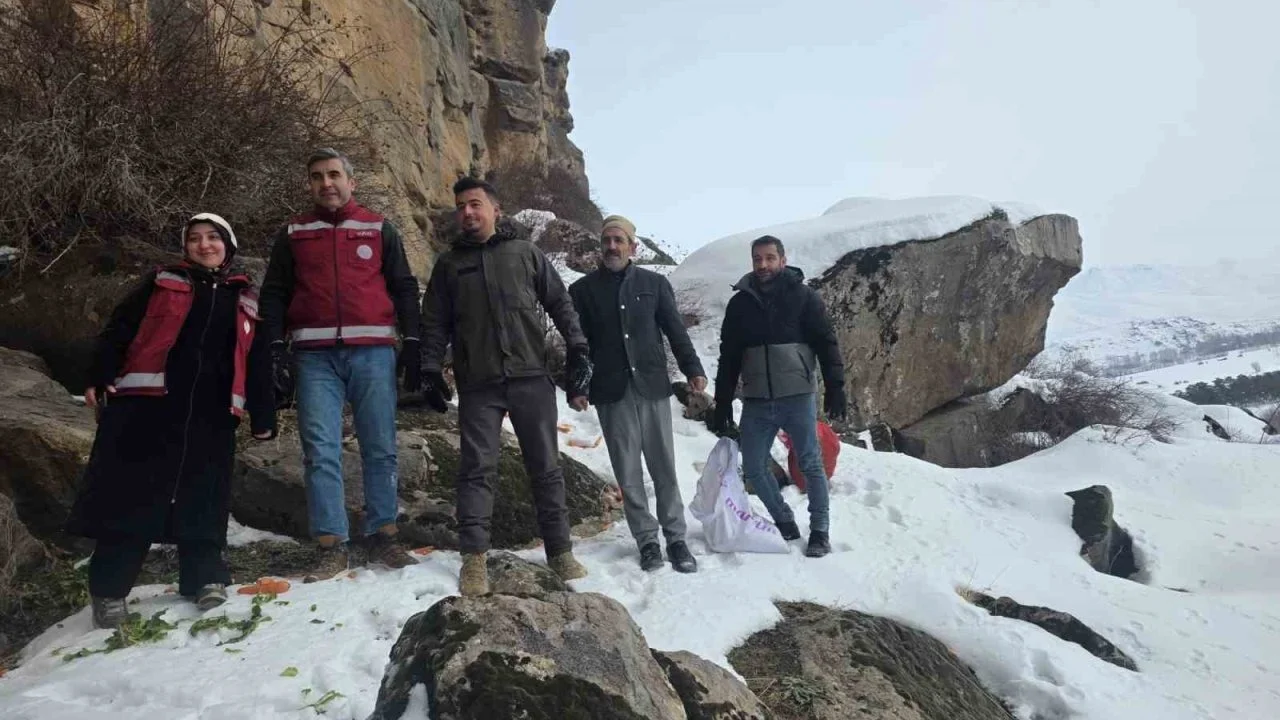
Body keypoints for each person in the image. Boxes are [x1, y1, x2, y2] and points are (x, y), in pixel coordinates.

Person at [67, 213, 277, 628]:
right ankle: (109, 590)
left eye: (213, 237)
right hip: (149, 408)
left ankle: (205, 578)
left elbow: (257, 361)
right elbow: (119, 329)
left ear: (228, 246)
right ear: (185, 247)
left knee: (205, 495)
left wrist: (263, 415)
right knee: (134, 494)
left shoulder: (247, 298)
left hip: (212, 414)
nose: (204, 245)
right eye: (195, 238)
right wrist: (98, 375)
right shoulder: (161, 282)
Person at [421, 177, 594, 596]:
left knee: (546, 467)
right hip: (478, 383)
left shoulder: (525, 253)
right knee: (476, 469)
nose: (467, 212)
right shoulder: (449, 265)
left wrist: (578, 346)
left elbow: (560, 302)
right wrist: (429, 367)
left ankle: (560, 551)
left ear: (495, 210)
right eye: (460, 206)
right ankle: (474, 558)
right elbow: (435, 322)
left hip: (530, 376)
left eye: (475, 204)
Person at [258, 148, 422, 574]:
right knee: (320, 450)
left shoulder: (379, 228)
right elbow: (274, 292)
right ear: (310, 184)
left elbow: (404, 286)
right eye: (317, 176)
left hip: (373, 352)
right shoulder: (294, 233)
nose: (326, 183)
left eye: (334, 175)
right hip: (314, 358)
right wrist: (274, 345)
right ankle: (332, 545)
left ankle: (384, 534)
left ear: (352, 182)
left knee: (380, 446)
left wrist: (413, 340)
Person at [568, 215, 705, 573]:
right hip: (611, 392)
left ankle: (676, 538)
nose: (612, 246)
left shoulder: (654, 284)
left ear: (633, 246)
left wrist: (693, 369)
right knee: (628, 473)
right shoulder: (582, 291)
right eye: (606, 240)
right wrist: (577, 385)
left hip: (652, 387)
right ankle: (647, 541)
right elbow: (578, 345)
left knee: (664, 467)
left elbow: (675, 331)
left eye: (619, 240)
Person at [709, 235, 846, 558]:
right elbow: (729, 356)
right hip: (757, 399)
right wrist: (723, 401)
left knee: (810, 463)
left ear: (783, 261)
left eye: (770, 258)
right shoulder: (740, 304)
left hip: (798, 395)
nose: (763, 265)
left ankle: (820, 530)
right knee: (754, 467)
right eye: (757, 259)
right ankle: (784, 521)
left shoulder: (804, 297)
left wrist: (836, 386)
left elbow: (826, 343)